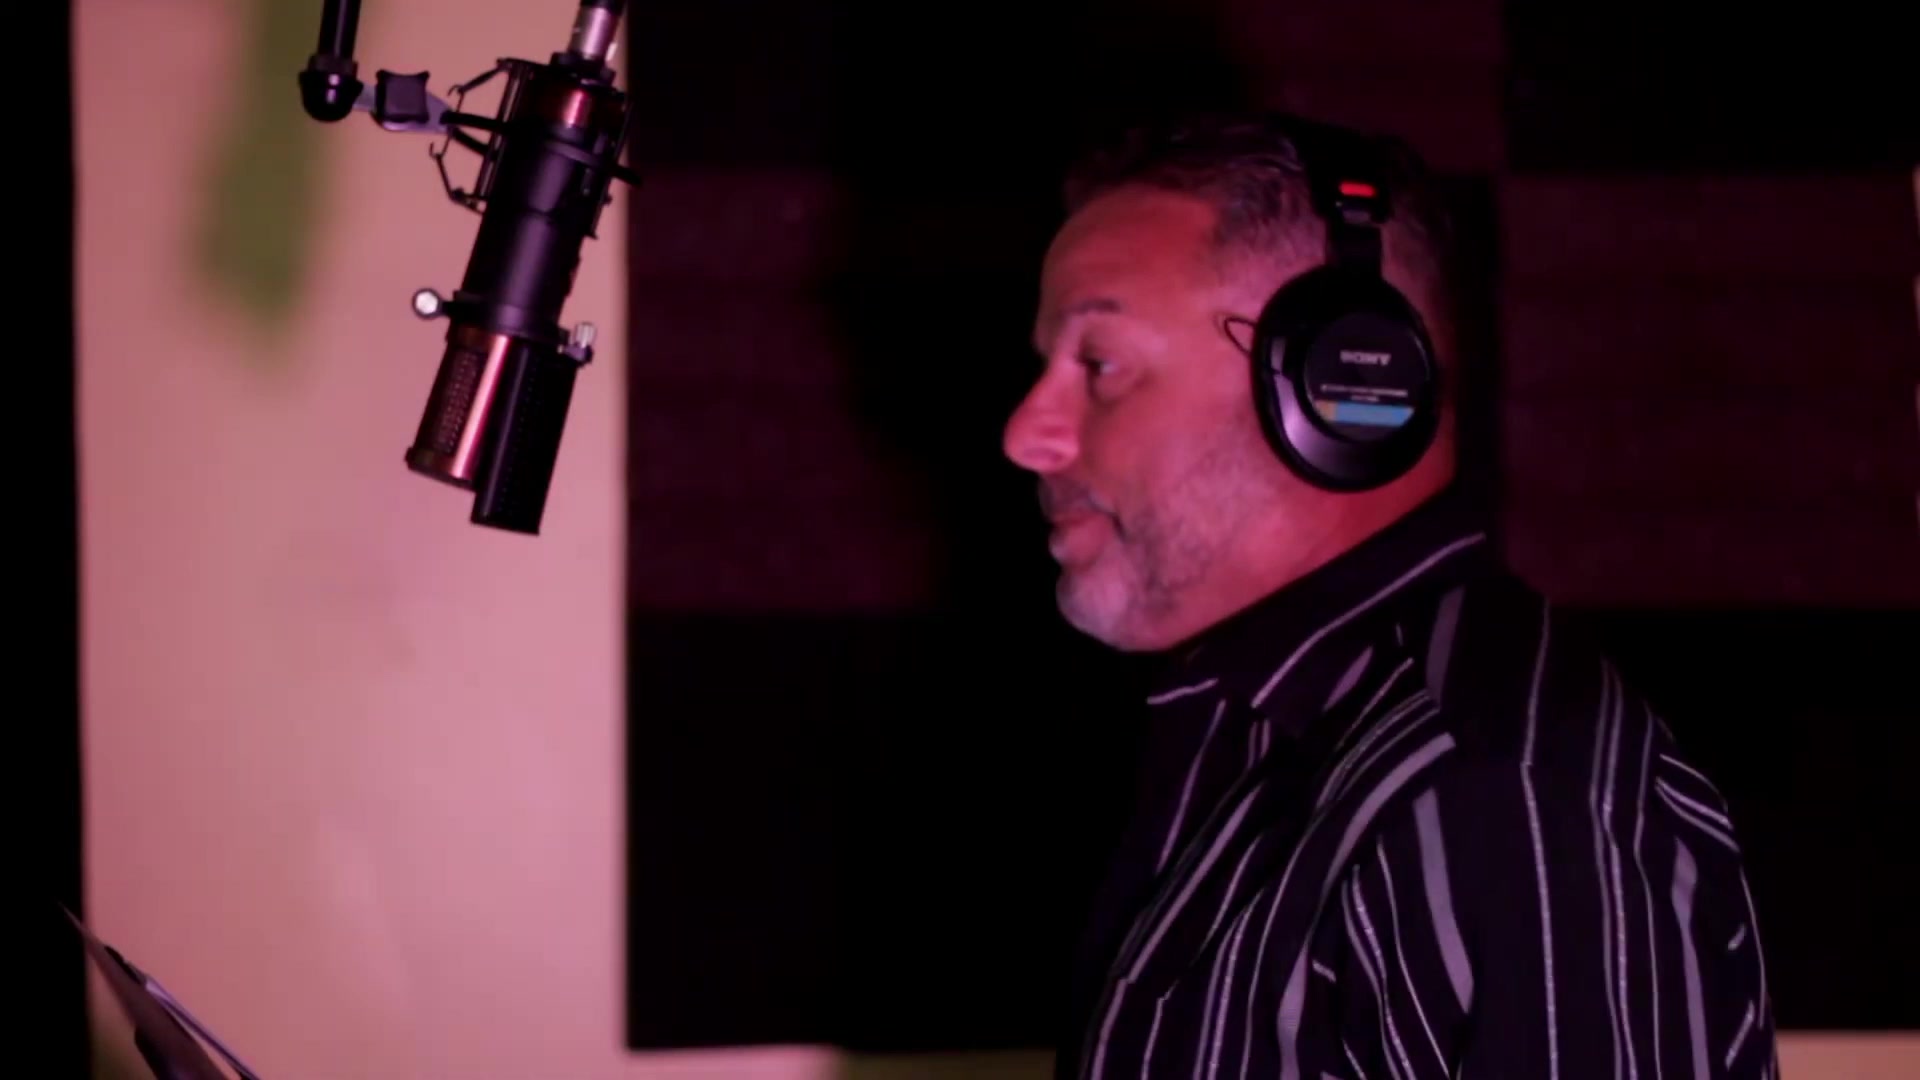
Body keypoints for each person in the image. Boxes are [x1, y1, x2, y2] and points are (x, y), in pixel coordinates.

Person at [1003, 111, 1778, 1080]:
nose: (1026, 435)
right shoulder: (1264, 738)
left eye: (1100, 366)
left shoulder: (1496, 793)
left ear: (1337, 379)